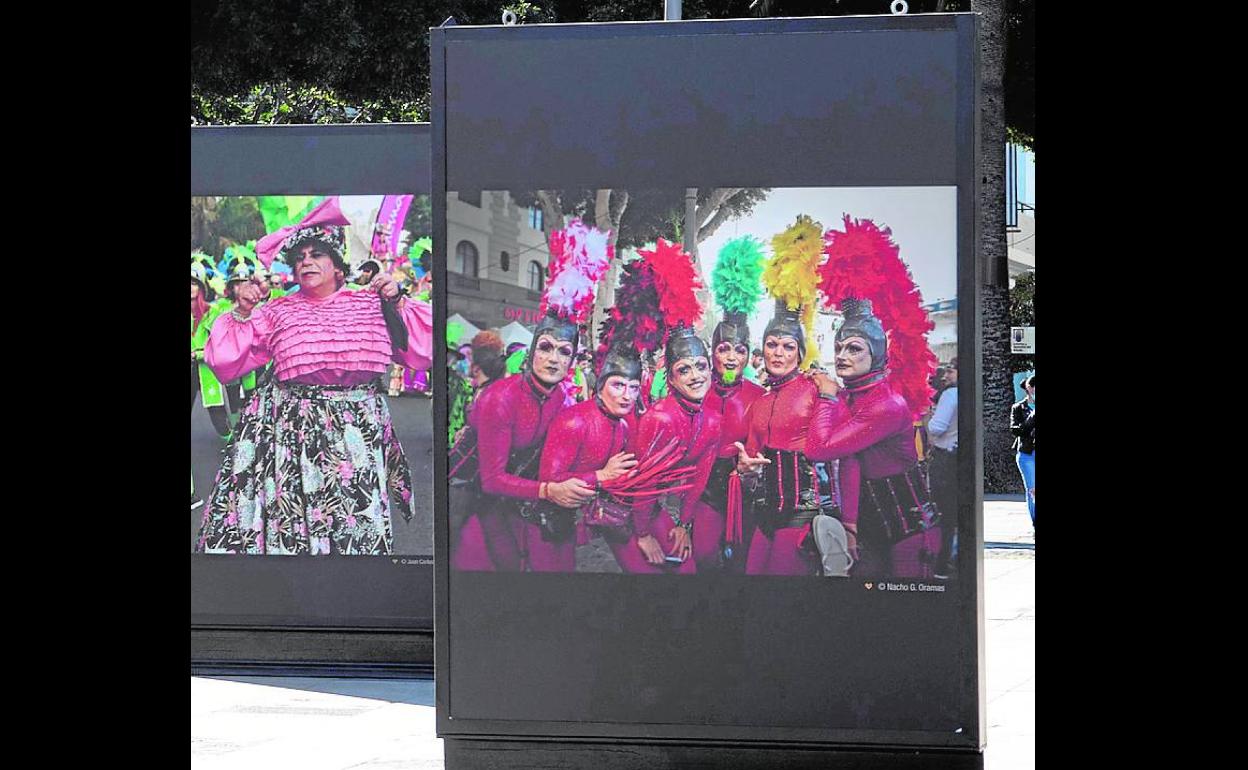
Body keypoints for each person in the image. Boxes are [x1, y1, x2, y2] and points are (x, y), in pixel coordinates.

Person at [195, 197, 433, 555]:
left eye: (317, 254)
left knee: (357, 524)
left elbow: (422, 354)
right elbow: (226, 363)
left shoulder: (373, 303)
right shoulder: (275, 311)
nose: (306, 261)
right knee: (295, 523)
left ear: (338, 267)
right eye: (299, 257)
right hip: (293, 435)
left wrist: (398, 300)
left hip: (358, 434)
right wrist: (243, 310)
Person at [450, 218, 612, 571]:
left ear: (572, 360)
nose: (554, 358)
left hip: (525, 507)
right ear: (532, 351)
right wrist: (548, 492)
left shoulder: (561, 399)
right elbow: (491, 481)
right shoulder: (499, 398)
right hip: (483, 505)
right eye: (547, 347)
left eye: (564, 351)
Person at [806, 216, 942, 579]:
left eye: (854, 348)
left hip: (910, 530)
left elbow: (820, 449)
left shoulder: (886, 405)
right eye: (839, 347)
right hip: (869, 529)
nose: (842, 356)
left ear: (877, 355)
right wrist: (849, 525)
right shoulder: (854, 398)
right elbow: (848, 464)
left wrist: (825, 396)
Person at [694, 235, 767, 572]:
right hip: (707, 491)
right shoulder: (696, 391)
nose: (732, 356)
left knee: (743, 565)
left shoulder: (759, 395)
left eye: (739, 350)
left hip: (748, 493)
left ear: (748, 353)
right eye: (724, 348)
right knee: (704, 557)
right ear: (713, 352)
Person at [533, 345, 642, 572]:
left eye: (634, 388)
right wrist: (600, 476)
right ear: (600, 387)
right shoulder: (574, 422)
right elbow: (549, 480)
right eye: (618, 385)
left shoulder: (622, 425)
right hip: (543, 521)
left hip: (578, 520)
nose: (627, 396)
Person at [927, 359, 959, 578]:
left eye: (950, 371)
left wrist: (929, 417)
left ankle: (942, 564)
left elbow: (937, 428)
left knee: (945, 514)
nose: (945, 376)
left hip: (944, 460)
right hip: (956, 458)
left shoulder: (950, 395)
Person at [1011, 375, 1035, 528]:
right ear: (1029, 389)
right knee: (1032, 489)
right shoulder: (1018, 408)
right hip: (1027, 454)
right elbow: (1016, 430)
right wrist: (1032, 417)